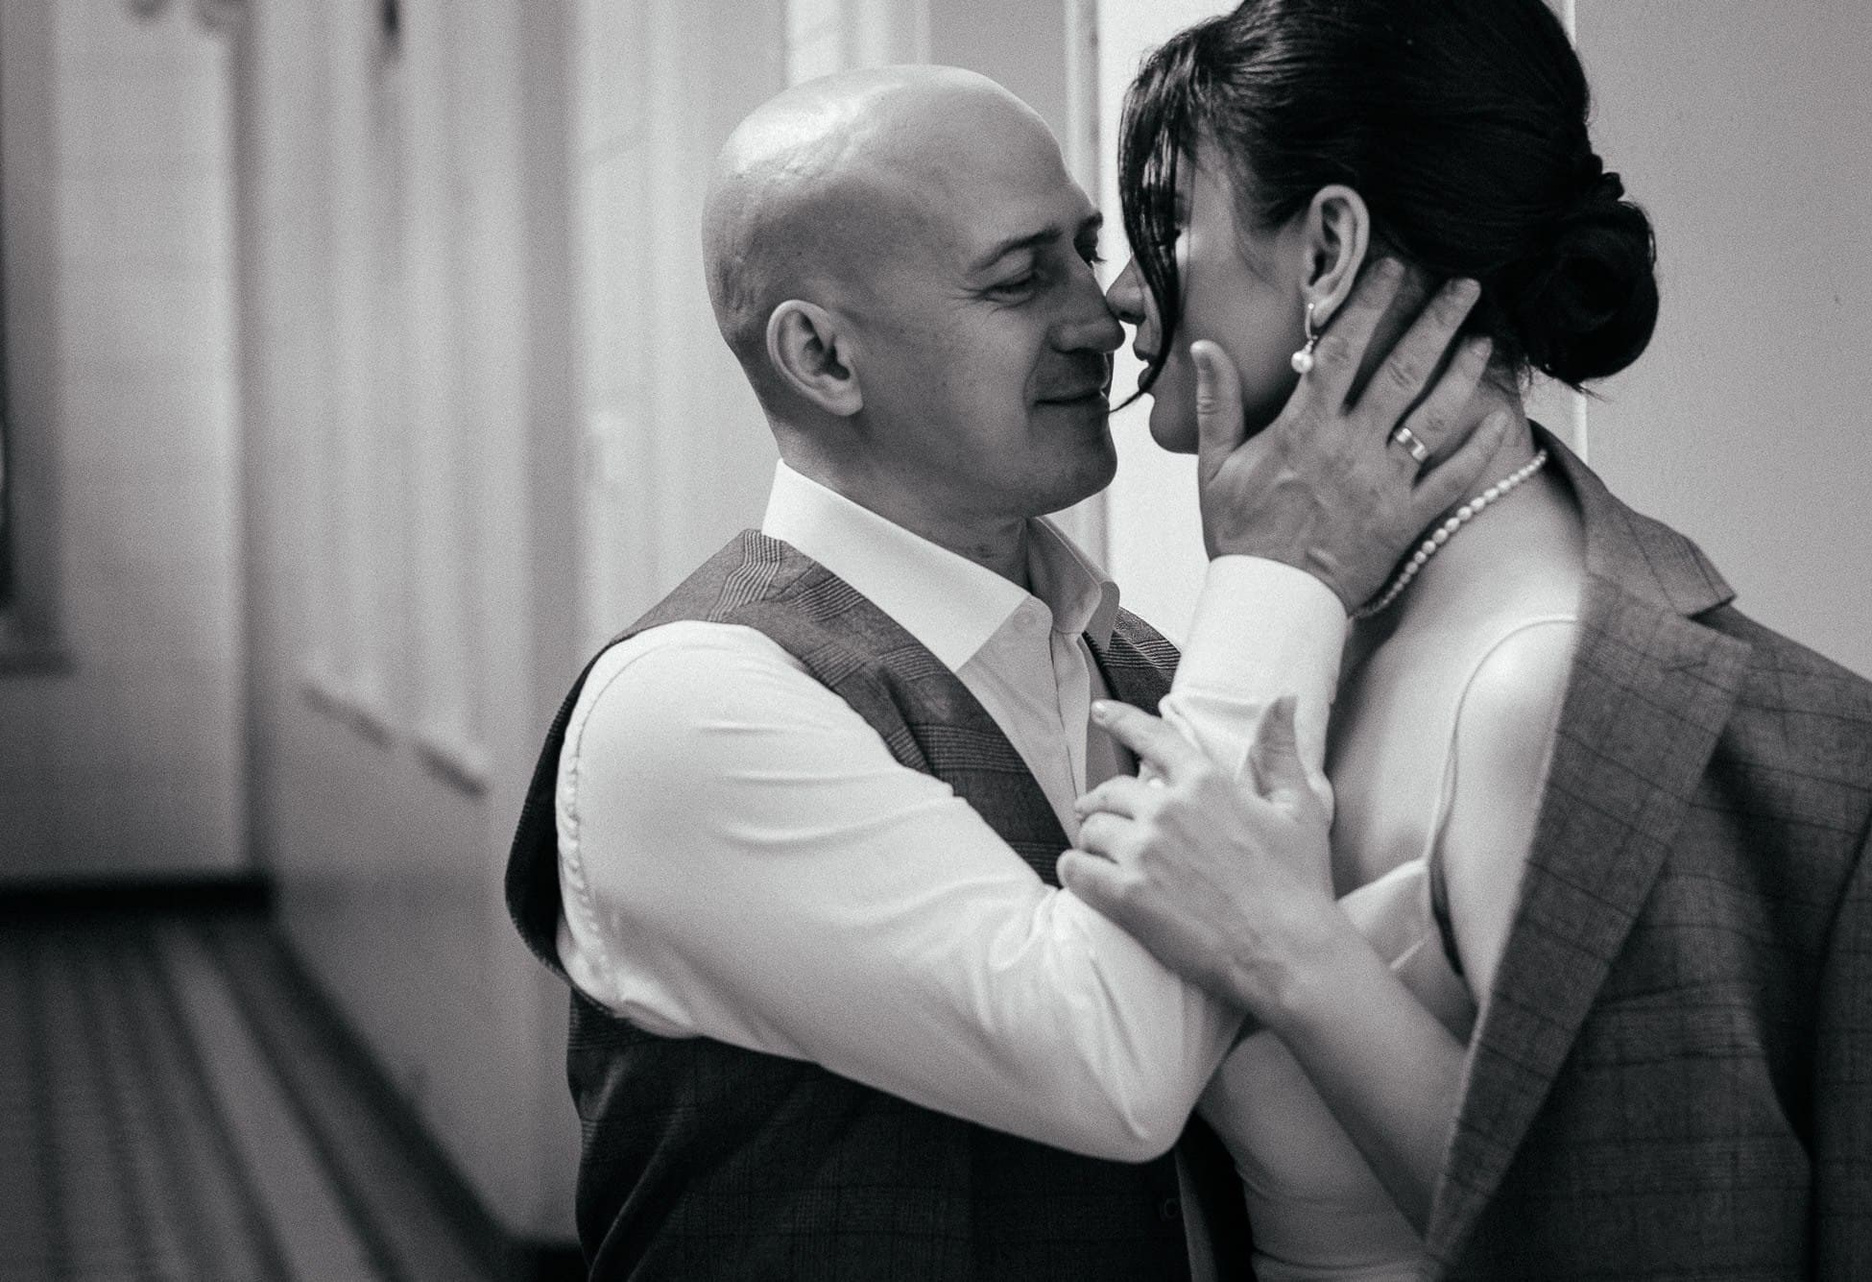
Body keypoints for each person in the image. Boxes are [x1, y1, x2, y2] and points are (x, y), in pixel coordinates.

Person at [503, 65, 1505, 1279]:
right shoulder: (684, 711)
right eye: (1022, 278)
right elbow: (1114, 1065)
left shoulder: (1144, 668)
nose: (1105, 317)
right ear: (822, 356)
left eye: (1088, 250)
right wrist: (1282, 567)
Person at [1060, 1, 1872, 1278]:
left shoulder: (1542, 683)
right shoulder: (1317, 614)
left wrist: (1287, 948)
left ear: (1328, 248)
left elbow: (1634, 1233)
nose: (1124, 291)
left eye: (1165, 221)